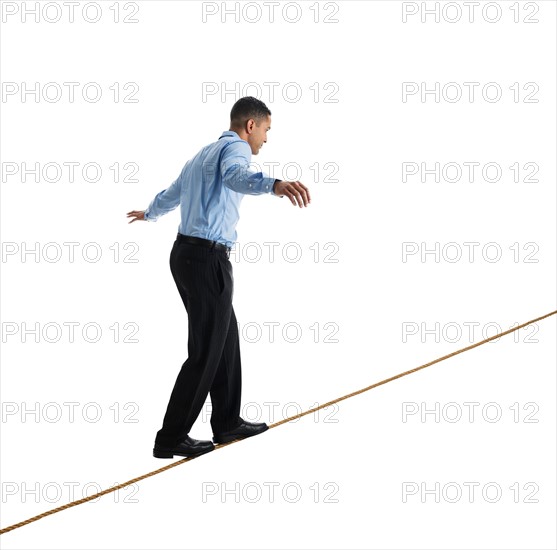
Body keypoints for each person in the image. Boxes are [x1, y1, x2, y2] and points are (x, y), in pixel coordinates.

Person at [126, 96, 311, 459]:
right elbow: (237, 177)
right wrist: (274, 184)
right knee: (206, 350)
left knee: (226, 338)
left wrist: (149, 213)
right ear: (250, 125)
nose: (266, 141)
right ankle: (171, 438)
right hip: (207, 258)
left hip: (186, 255)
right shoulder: (237, 151)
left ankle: (227, 422)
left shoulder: (201, 156)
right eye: (266, 130)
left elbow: (172, 194)